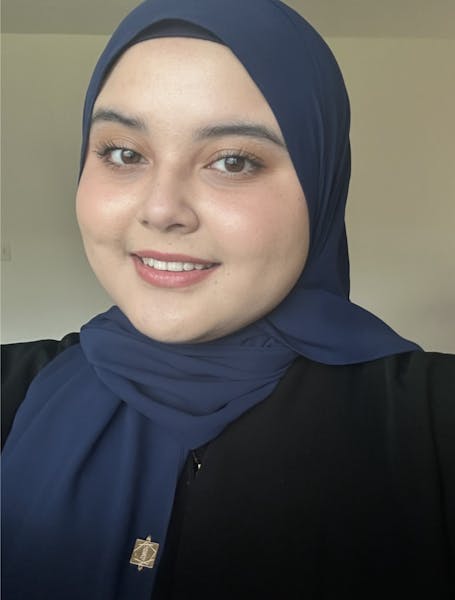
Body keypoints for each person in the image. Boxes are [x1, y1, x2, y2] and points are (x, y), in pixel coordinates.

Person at [1, 0, 454, 598]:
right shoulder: (14, 389)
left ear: (321, 185)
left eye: (233, 161)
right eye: (124, 153)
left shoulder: (431, 426)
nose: (161, 210)